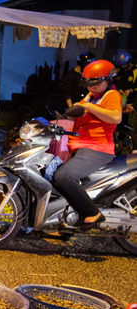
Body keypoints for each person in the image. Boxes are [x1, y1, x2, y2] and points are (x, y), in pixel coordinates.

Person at [53, 60, 121, 227]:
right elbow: (75, 112)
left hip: (98, 149)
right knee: (47, 173)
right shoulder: (92, 96)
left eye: (96, 84)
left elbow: (115, 117)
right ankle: (55, 222)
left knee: (63, 176)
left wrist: (89, 107)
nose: (91, 87)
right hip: (79, 145)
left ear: (109, 80)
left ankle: (92, 213)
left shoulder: (111, 95)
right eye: (89, 84)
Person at [113, 50, 137, 114]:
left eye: (125, 65)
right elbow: (114, 82)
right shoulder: (119, 70)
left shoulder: (135, 71)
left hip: (132, 101)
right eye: (121, 65)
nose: (123, 67)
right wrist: (118, 89)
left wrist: (130, 90)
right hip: (120, 99)